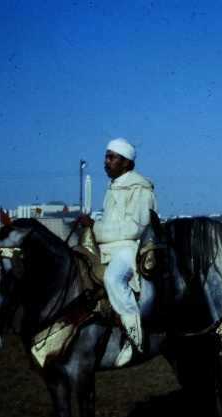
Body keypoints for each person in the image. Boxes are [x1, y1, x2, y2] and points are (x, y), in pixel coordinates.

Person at [80, 138, 157, 367]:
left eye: (111, 157)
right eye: (106, 156)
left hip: (130, 249)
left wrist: (95, 227)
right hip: (108, 248)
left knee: (114, 279)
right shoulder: (114, 187)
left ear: (125, 162)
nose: (105, 162)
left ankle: (135, 339)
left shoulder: (141, 189)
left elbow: (135, 229)